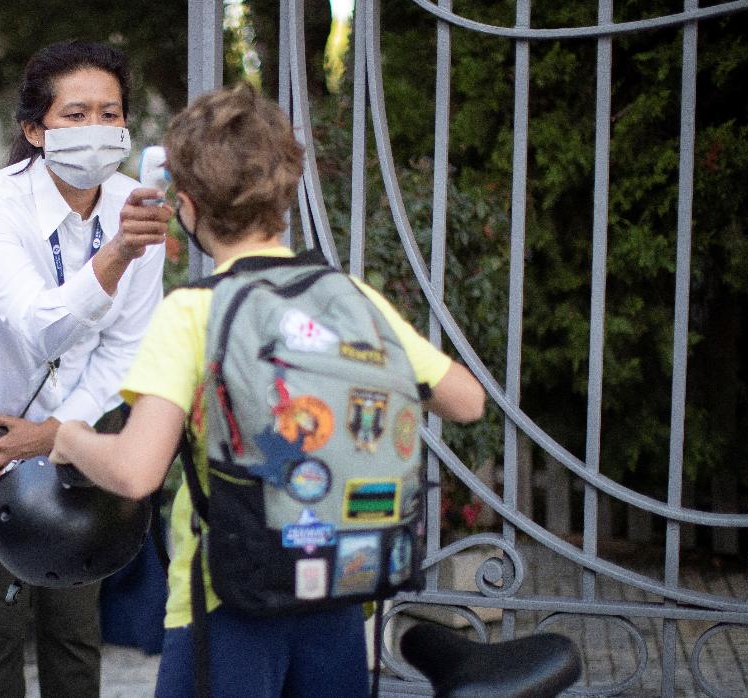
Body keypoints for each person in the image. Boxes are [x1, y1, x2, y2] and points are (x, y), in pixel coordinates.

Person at [48, 84, 487, 698]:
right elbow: (467, 401)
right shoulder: (349, 297)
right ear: (285, 196)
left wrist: (69, 437)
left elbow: (136, 472)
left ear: (188, 206)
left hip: (225, 603)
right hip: (337, 592)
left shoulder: (193, 313)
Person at [0, 40, 170, 698]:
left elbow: (126, 346)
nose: (95, 130)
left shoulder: (134, 207)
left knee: (73, 617)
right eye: (75, 114)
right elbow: (40, 325)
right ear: (34, 130)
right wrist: (119, 250)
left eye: (110, 114)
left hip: (81, 420)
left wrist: (62, 431)